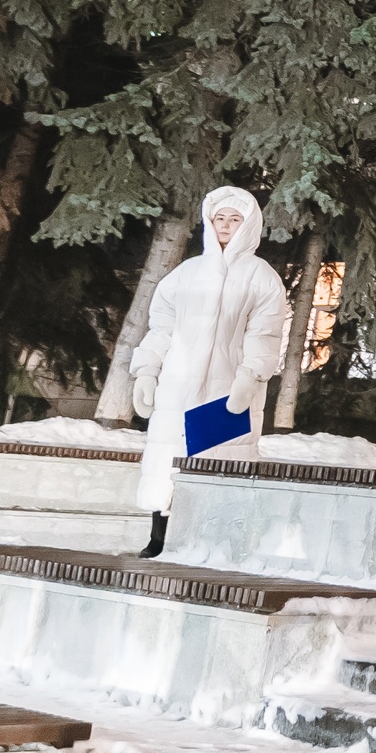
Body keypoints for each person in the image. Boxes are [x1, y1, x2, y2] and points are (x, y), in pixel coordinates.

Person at [129, 186, 291, 558]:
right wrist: (147, 370)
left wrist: (250, 376)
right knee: (168, 461)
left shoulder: (262, 277)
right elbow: (161, 327)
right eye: (220, 218)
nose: (226, 226)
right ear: (209, 221)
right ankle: (159, 539)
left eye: (235, 219)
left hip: (228, 388)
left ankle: (215, 543)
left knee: (218, 462)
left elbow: (265, 334)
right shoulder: (185, 274)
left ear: (248, 225)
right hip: (178, 386)